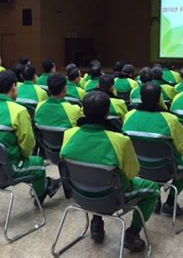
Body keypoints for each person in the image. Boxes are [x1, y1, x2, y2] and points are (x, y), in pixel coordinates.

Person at [61, 91, 160, 251]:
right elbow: (132, 172)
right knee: (153, 189)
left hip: (79, 195)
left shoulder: (68, 135)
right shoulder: (120, 140)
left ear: (83, 111)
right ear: (108, 112)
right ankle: (132, 233)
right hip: (113, 198)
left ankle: (96, 222)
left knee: (92, 177)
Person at [0, 71, 60, 205]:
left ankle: (46, 183)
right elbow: (28, 143)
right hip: (6, 170)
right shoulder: (18, 111)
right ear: (13, 87)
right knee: (38, 163)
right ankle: (42, 194)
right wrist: (24, 158)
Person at [123, 82, 183, 216]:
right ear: (159, 98)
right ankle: (171, 202)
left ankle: (156, 198)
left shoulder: (129, 115)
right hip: (165, 170)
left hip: (138, 169)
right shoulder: (170, 119)